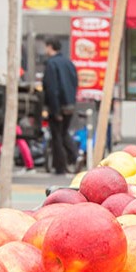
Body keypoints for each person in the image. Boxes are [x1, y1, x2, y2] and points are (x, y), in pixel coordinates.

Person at [42, 37, 78, 174]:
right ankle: (75, 156)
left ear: (50, 46)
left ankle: (60, 166)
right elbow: (74, 83)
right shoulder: (69, 63)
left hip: (58, 105)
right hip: (69, 105)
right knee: (63, 133)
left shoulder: (52, 64)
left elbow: (52, 88)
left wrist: (55, 110)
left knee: (57, 135)